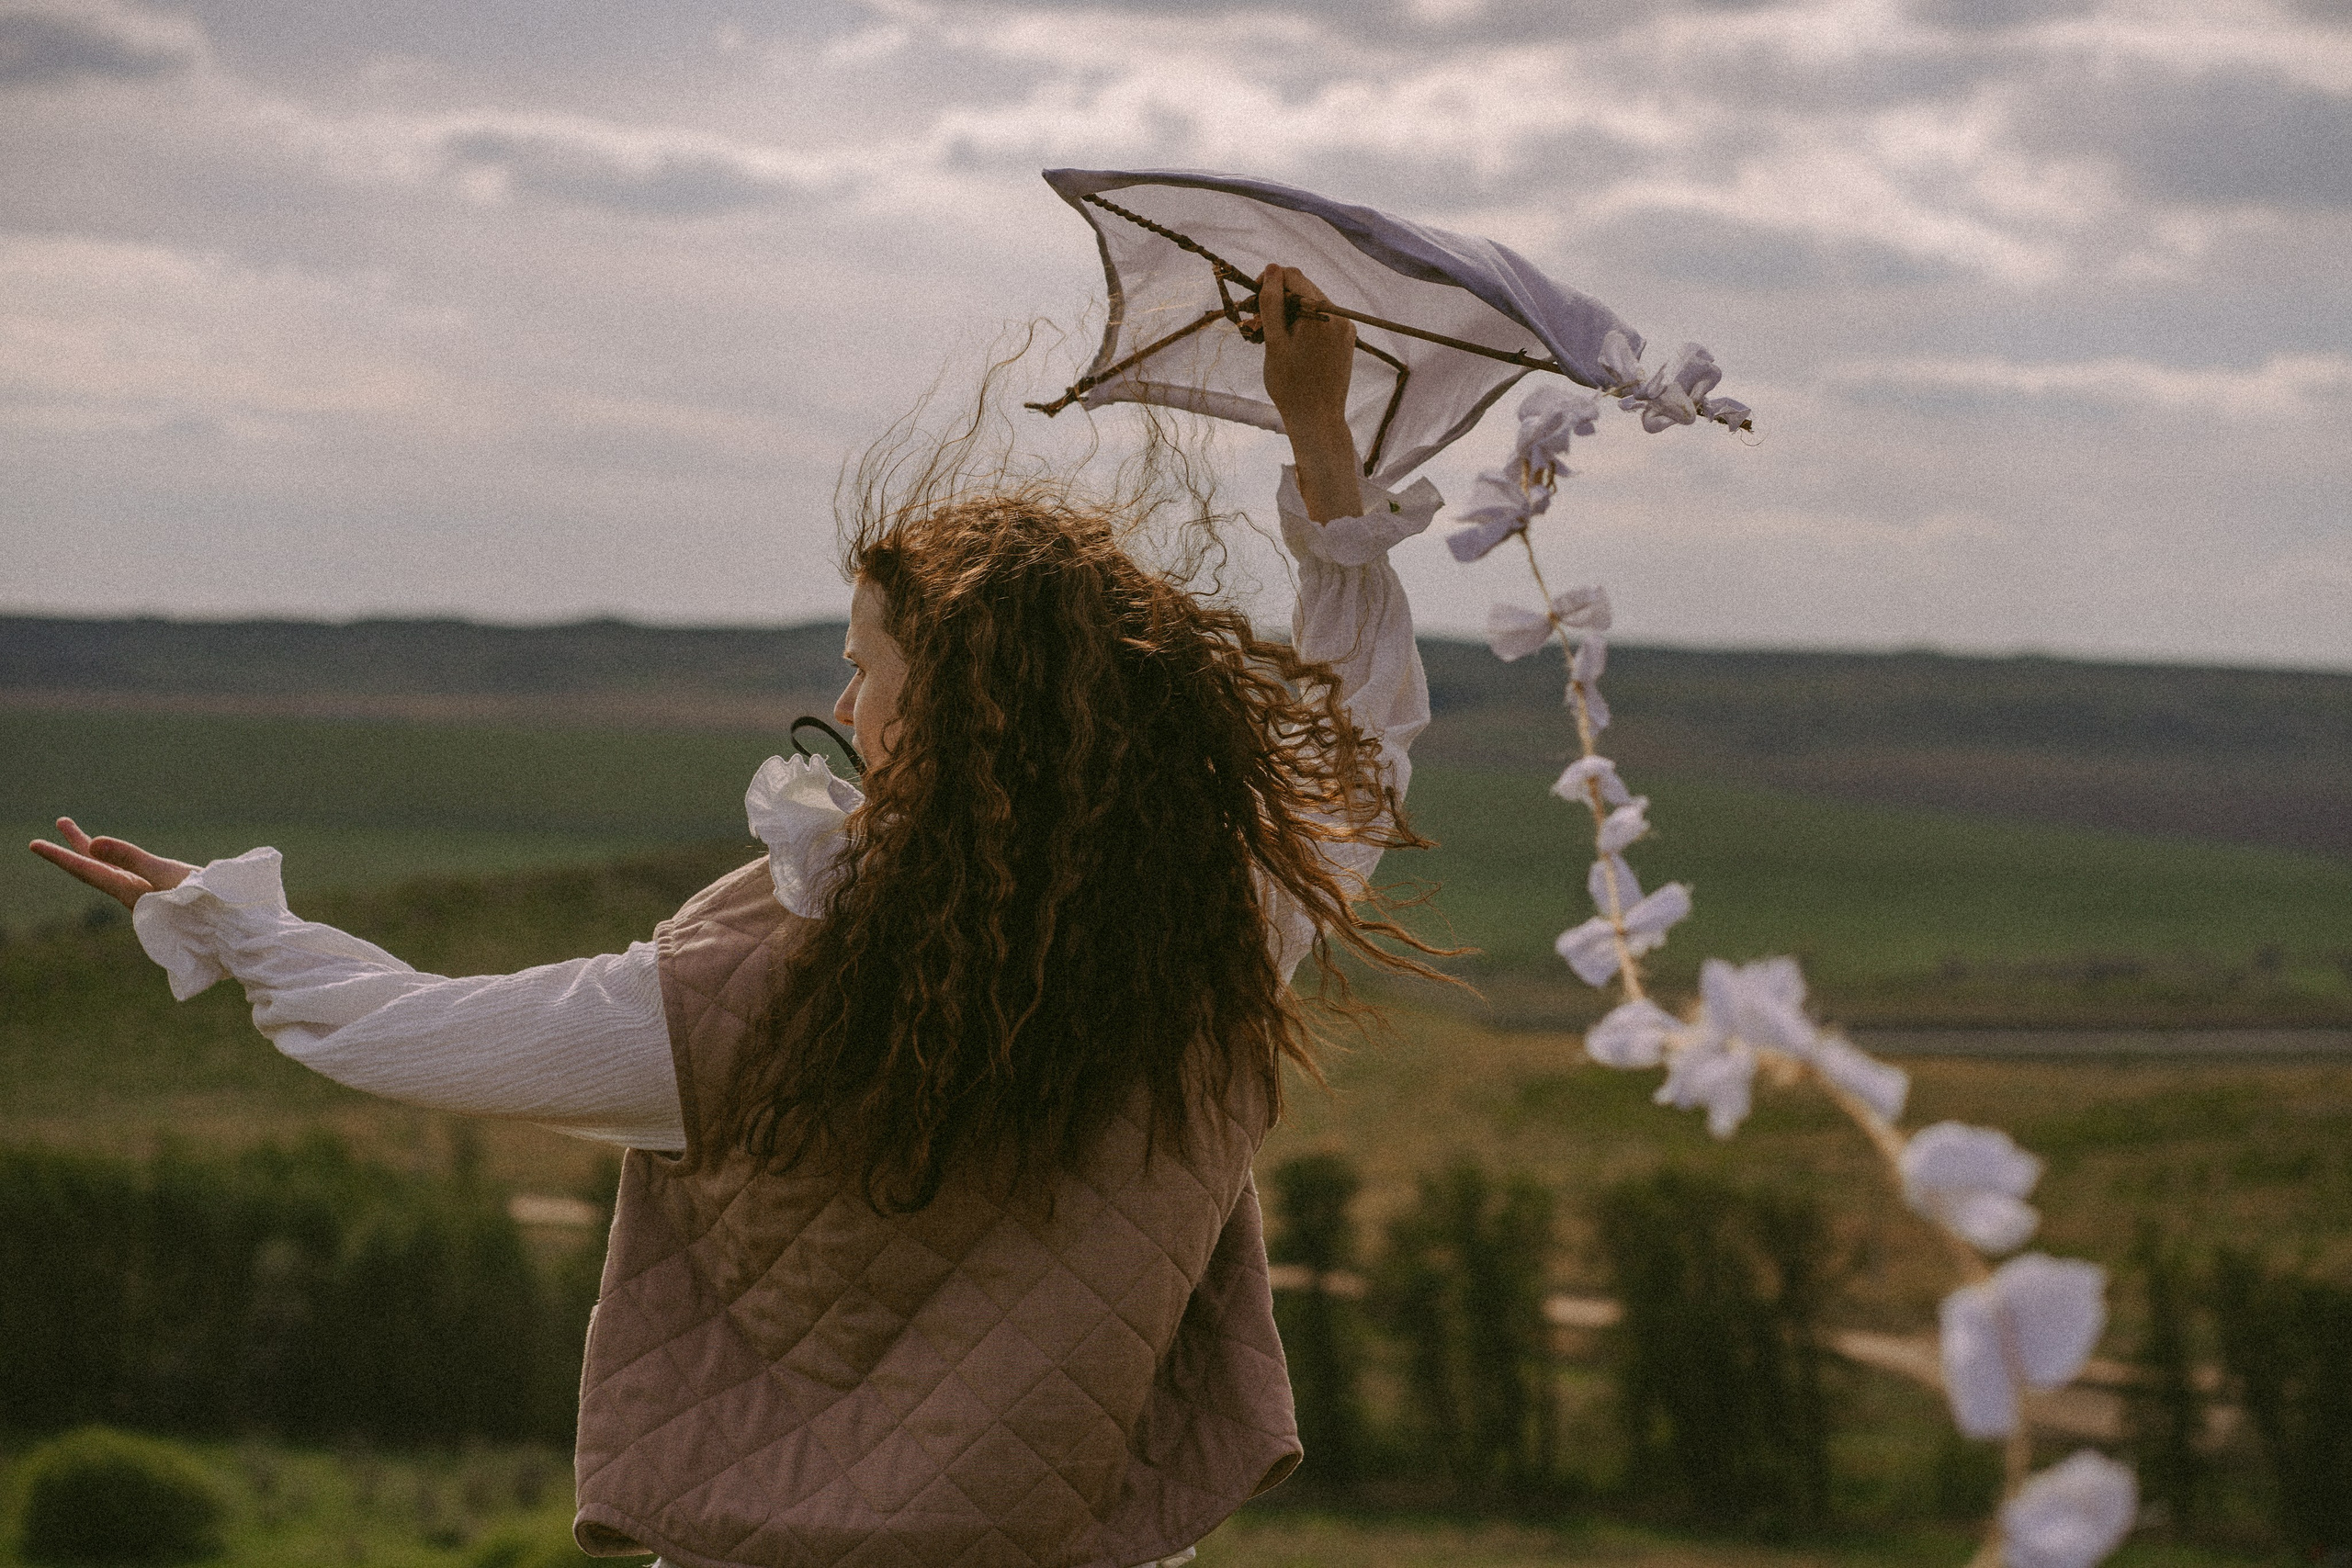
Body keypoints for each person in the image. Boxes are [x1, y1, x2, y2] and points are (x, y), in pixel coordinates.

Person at [30, 265, 1448, 1568]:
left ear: (957, 709)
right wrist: (1318, 433)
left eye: (866, 666)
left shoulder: (757, 985)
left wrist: (228, 924)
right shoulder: (1209, 941)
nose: (845, 704)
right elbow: (1358, 744)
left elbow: (426, 1034)